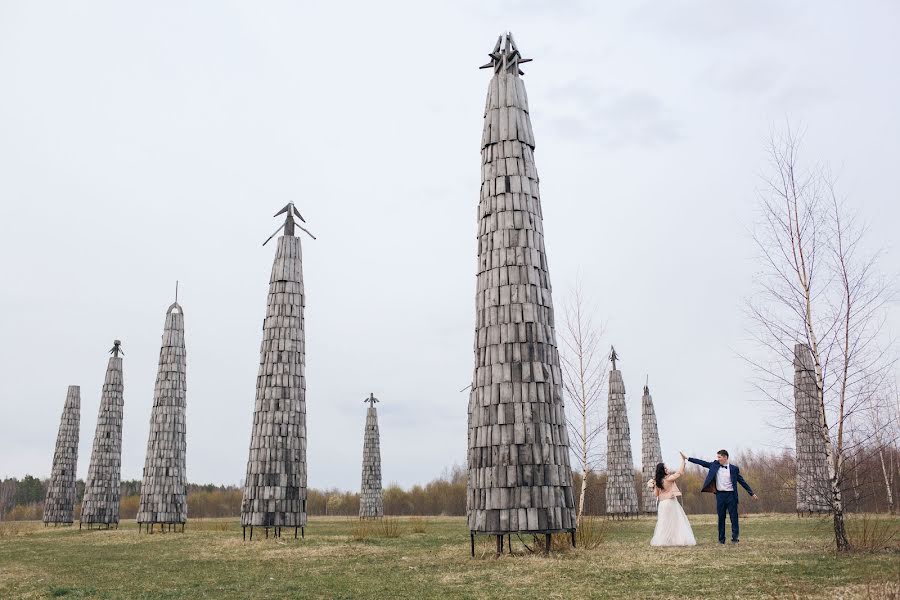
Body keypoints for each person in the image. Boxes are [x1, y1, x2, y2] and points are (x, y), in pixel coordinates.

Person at [685, 449, 759, 544]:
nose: (718, 459)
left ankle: (735, 539)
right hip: (720, 495)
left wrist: (751, 493)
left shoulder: (734, 469)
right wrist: (688, 458)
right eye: (717, 457)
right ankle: (721, 540)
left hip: (731, 496)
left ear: (725, 457)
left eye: (719, 457)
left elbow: (742, 481)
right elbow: (702, 463)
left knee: (734, 517)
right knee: (721, 517)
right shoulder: (714, 465)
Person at [648, 453, 696, 546]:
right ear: (662, 471)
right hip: (670, 502)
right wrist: (683, 461)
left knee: (664, 523)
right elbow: (680, 472)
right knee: (675, 521)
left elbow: (656, 494)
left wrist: (652, 487)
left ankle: (664, 540)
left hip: (662, 504)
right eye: (665, 468)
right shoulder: (669, 478)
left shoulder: (657, 481)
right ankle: (676, 540)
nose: (667, 469)